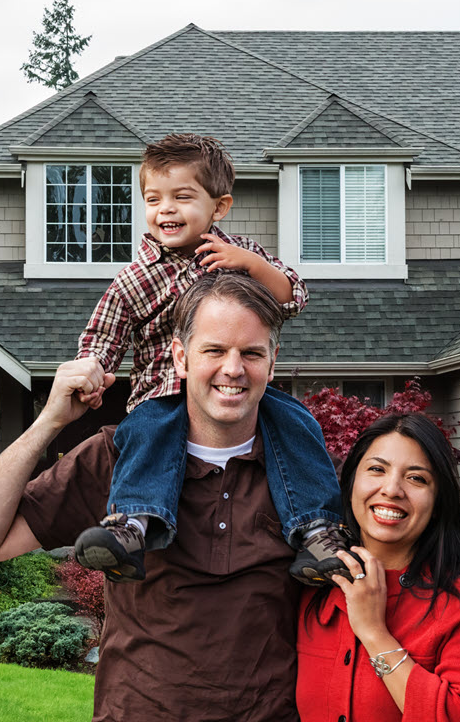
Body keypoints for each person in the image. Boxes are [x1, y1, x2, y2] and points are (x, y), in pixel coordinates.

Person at [0, 274, 306, 722]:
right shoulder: (119, 458)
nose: (233, 369)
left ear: (272, 361)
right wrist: (49, 422)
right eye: (214, 351)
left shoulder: (302, 475)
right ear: (180, 356)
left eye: (253, 354)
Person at [71, 133, 350, 585]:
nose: (166, 209)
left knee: (296, 422)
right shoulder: (135, 278)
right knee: (143, 434)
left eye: (182, 197)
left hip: (238, 389)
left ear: (219, 206)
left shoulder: (241, 256)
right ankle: (132, 526)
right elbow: (105, 335)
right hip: (163, 393)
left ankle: (316, 530)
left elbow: (293, 297)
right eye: (153, 199)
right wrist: (93, 370)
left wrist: (250, 265)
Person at [296, 413, 460, 722]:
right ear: (349, 485)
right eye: (377, 470)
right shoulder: (312, 591)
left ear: (439, 503)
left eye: (416, 478)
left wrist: (374, 633)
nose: (392, 489)